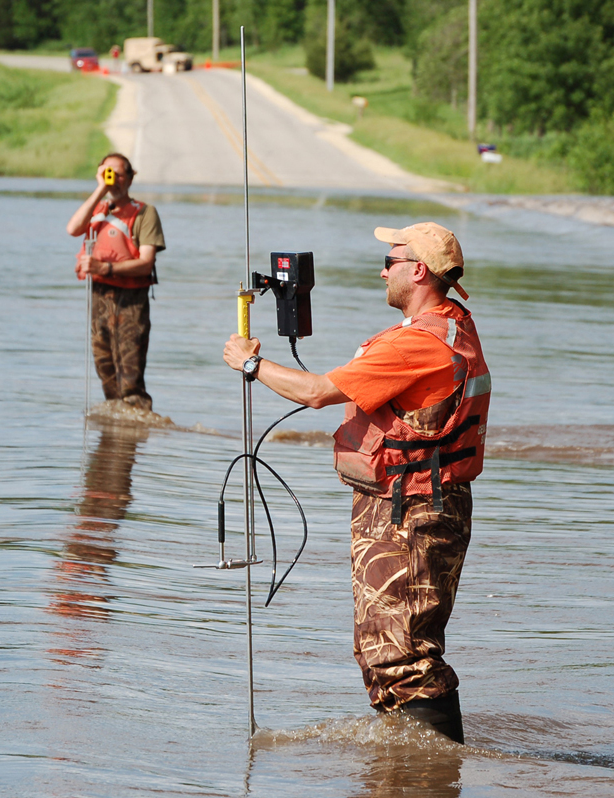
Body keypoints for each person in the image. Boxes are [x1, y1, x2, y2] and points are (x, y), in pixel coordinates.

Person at [222, 222, 490, 744]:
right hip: (421, 504)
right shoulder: (452, 325)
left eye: (390, 261)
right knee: (391, 647)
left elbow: (319, 391)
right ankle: (414, 765)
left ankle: (433, 768)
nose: (381, 270)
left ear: (418, 271)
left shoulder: (417, 344)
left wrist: (251, 363)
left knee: (401, 653)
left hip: (409, 513)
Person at [67, 153, 166, 412]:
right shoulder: (96, 209)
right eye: (108, 172)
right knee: (105, 370)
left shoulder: (145, 213)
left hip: (131, 301)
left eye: (120, 174)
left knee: (129, 374)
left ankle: (137, 427)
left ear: (131, 178)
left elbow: (146, 262)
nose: (114, 179)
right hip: (99, 297)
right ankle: (115, 440)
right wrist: (101, 188)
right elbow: (73, 228)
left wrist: (105, 267)